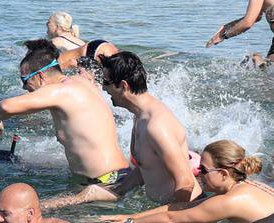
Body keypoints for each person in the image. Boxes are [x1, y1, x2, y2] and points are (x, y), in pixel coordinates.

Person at [44, 52, 198, 210]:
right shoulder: (140, 116)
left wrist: (157, 222)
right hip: (163, 211)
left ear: (124, 85)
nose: (103, 87)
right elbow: (148, 167)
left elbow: (185, 183)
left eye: (106, 82)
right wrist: (117, 190)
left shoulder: (157, 126)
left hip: (182, 216)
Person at [0, 41, 131, 190]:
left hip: (105, 183)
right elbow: (25, 104)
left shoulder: (60, 91)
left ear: (40, 76)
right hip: (119, 176)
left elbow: (6, 106)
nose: (23, 86)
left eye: (24, 80)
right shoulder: (78, 82)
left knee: (18, 212)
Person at [95, 139, 274, 223]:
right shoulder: (245, 186)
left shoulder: (230, 200)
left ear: (224, 174)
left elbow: (171, 220)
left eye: (203, 169)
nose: (198, 173)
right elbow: (182, 207)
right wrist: (128, 217)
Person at [46, 11, 117, 81]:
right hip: (96, 48)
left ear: (57, 27)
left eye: (48, 23)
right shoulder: (79, 41)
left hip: (87, 57)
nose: (46, 25)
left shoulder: (54, 42)